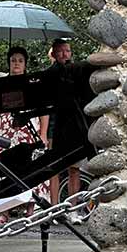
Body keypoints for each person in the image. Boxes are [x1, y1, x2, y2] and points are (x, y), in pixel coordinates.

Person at [0, 46, 49, 224]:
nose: (16, 63)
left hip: (28, 129)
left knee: (29, 167)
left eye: (20, 60)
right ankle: (5, 211)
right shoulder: (1, 83)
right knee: (4, 168)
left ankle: (30, 210)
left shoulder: (33, 82)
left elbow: (43, 109)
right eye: (13, 60)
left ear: (25, 64)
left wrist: (43, 134)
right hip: (4, 128)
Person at [46, 37, 92, 220]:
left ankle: (73, 208)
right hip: (57, 126)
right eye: (61, 51)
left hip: (76, 126)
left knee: (75, 169)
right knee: (55, 169)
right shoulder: (50, 74)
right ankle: (55, 208)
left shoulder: (78, 72)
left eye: (67, 51)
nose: (65, 54)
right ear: (54, 53)